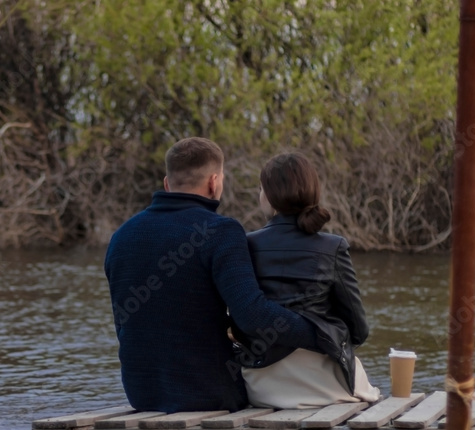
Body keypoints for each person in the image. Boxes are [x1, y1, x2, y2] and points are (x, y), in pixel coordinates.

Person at [104, 138, 319, 413]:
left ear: (167, 183)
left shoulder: (121, 236)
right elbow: (253, 316)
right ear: (214, 182)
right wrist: (319, 332)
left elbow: (125, 324)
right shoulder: (220, 231)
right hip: (209, 393)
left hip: (142, 393)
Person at [238, 152, 380, 409]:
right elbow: (359, 329)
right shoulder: (333, 246)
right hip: (325, 384)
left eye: (261, 189)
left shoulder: (245, 245)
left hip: (262, 385)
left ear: (269, 197)